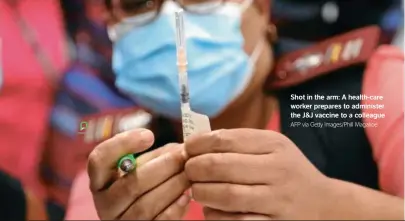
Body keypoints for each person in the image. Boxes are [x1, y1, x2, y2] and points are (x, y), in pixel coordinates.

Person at [67, 0, 404, 219]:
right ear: (110, 22)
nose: (172, 18)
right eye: (138, 2)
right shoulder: (115, 177)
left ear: (261, 8)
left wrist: (328, 205)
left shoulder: (359, 97)